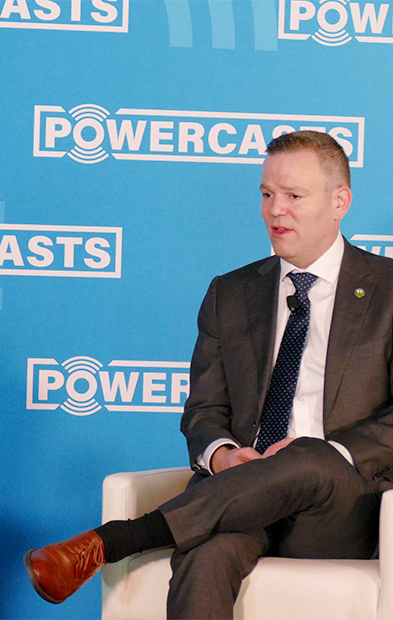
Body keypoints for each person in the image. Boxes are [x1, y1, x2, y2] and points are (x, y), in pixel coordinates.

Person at [25, 130, 393, 618]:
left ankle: (118, 539)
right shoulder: (231, 292)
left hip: (337, 502)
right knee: (206, 552)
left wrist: (327, 452)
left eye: (294, 196)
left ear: (339, 201)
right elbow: (204, 411)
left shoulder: (388, 289)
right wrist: (220, 455)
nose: (274, 210)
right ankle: (143, 534)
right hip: (237, 496)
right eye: (266, 194)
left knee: (311, 456)